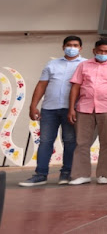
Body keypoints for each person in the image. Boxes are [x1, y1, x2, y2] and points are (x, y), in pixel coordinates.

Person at [19, 36, 86, 187]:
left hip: (72, 109)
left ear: (80, 48)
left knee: (70, 141)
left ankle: (66, 173)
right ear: (63, 47)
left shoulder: (85, 64)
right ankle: (40, 174)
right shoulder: (52, 64)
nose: (72, 48)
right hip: (49, 109)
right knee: (45, 141)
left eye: (75, 45)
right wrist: (33, 105)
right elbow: (42, 85)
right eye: (69, 45)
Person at [68, 39, 107, 185]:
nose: (103, 53)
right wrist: (71, 108)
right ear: (94, 51)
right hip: (84, 108)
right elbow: (76, 87)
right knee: (81, 142)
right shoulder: (83, 65)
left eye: (106, 51)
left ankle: (103, 174)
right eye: (100, 51)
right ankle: (82, 175)